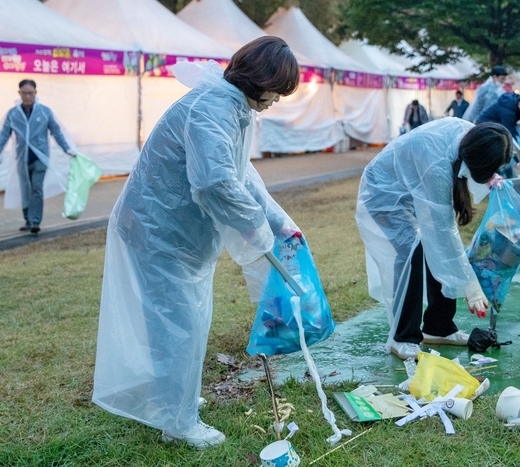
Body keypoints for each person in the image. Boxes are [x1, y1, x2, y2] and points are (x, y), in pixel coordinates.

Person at [91, 37, 301, 449]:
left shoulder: (230, 108)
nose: (278, 99)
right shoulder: (213, 109)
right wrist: (258, 233)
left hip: (174, 235)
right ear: (262, 79)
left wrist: (279, 223)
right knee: (178, 325)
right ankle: (179, 422)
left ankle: (176, 398)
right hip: (159, 233)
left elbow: (242, 176)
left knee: (185, 322)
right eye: (278, 89)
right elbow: (216, 184)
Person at [355, 118, 512, 360]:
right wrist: (469, 285)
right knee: (412, 254)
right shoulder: (436, 165)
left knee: (433, 251)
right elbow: (442, 230)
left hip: (411, 187)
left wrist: (490, 177)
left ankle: (437, 328)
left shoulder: (471, 137)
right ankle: (402, 337)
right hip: (383, 194)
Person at [0, 79, 76, 233]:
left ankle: (35, 221)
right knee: (25, 189)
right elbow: (4, 135)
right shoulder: (14, 114)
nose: (28, 96)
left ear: (36, 93)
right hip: (22, 159)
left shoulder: (44, 112)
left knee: (37, 188)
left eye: (31, 93)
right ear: (19, 93)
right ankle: (28, 219)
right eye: (24, 93)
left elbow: (56, 132)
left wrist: (67, 149)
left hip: (40, 159)